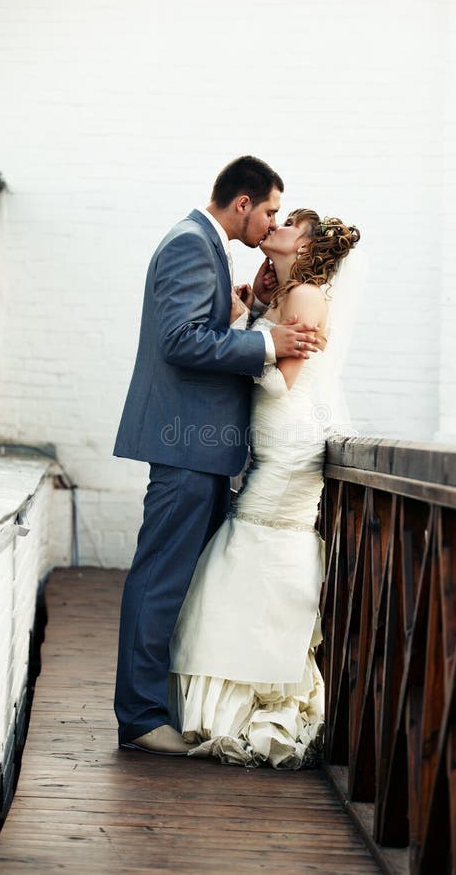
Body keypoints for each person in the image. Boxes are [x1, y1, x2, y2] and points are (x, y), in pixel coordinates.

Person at [113, 157, 321, 755]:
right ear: (242, 204)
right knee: (159, 579)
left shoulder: (208, 246)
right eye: (271, 211)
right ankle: (141, 718)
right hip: (186, 444)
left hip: (200, 447)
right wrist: (265, 341)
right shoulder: (189, 245)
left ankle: (152, 709)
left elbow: (201, 332)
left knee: (171, 581)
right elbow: (178, 341)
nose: (272, 222)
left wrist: (246, 315)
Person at [168, 209, 361, 768]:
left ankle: (254, 691)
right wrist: (252, 316)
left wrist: (238, 334)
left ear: (304, 246)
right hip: (270, 445)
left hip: (288, 451)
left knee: (252, 549)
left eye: (288, 224)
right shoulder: (284, 295)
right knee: (242, 552)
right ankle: (240, 684)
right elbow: (269, 350)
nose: (274, 228)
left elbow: (279, 383)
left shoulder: (305, 297)